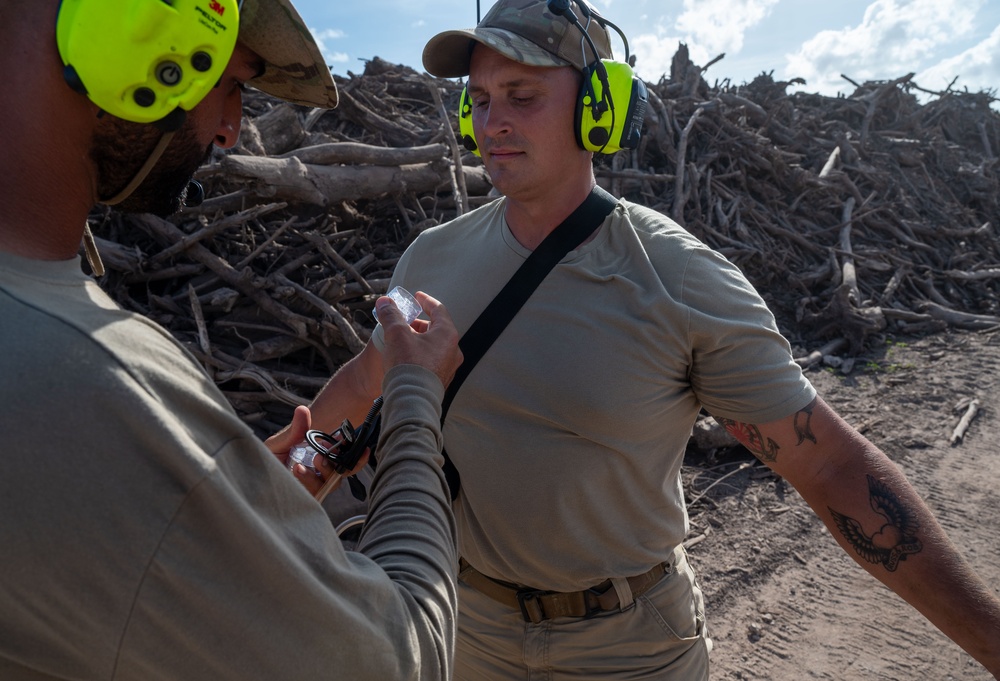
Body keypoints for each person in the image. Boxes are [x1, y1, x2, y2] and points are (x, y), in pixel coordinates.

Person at [286, 0, 1000, 678]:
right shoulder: (430, 259)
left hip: (628, 649)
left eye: (522, 95)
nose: (492, 121)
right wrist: (257, 498)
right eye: (478, 99)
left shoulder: (679, 279)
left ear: (600, 107)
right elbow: (366, 381)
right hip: (463, 634)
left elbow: (834, 467)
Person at [0, 0, 463, 678]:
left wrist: (215, 512)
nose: (228, 130)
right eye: (232, 82)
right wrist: (416, 405)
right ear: (136, 32)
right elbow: (393, 659)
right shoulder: (82, 379)